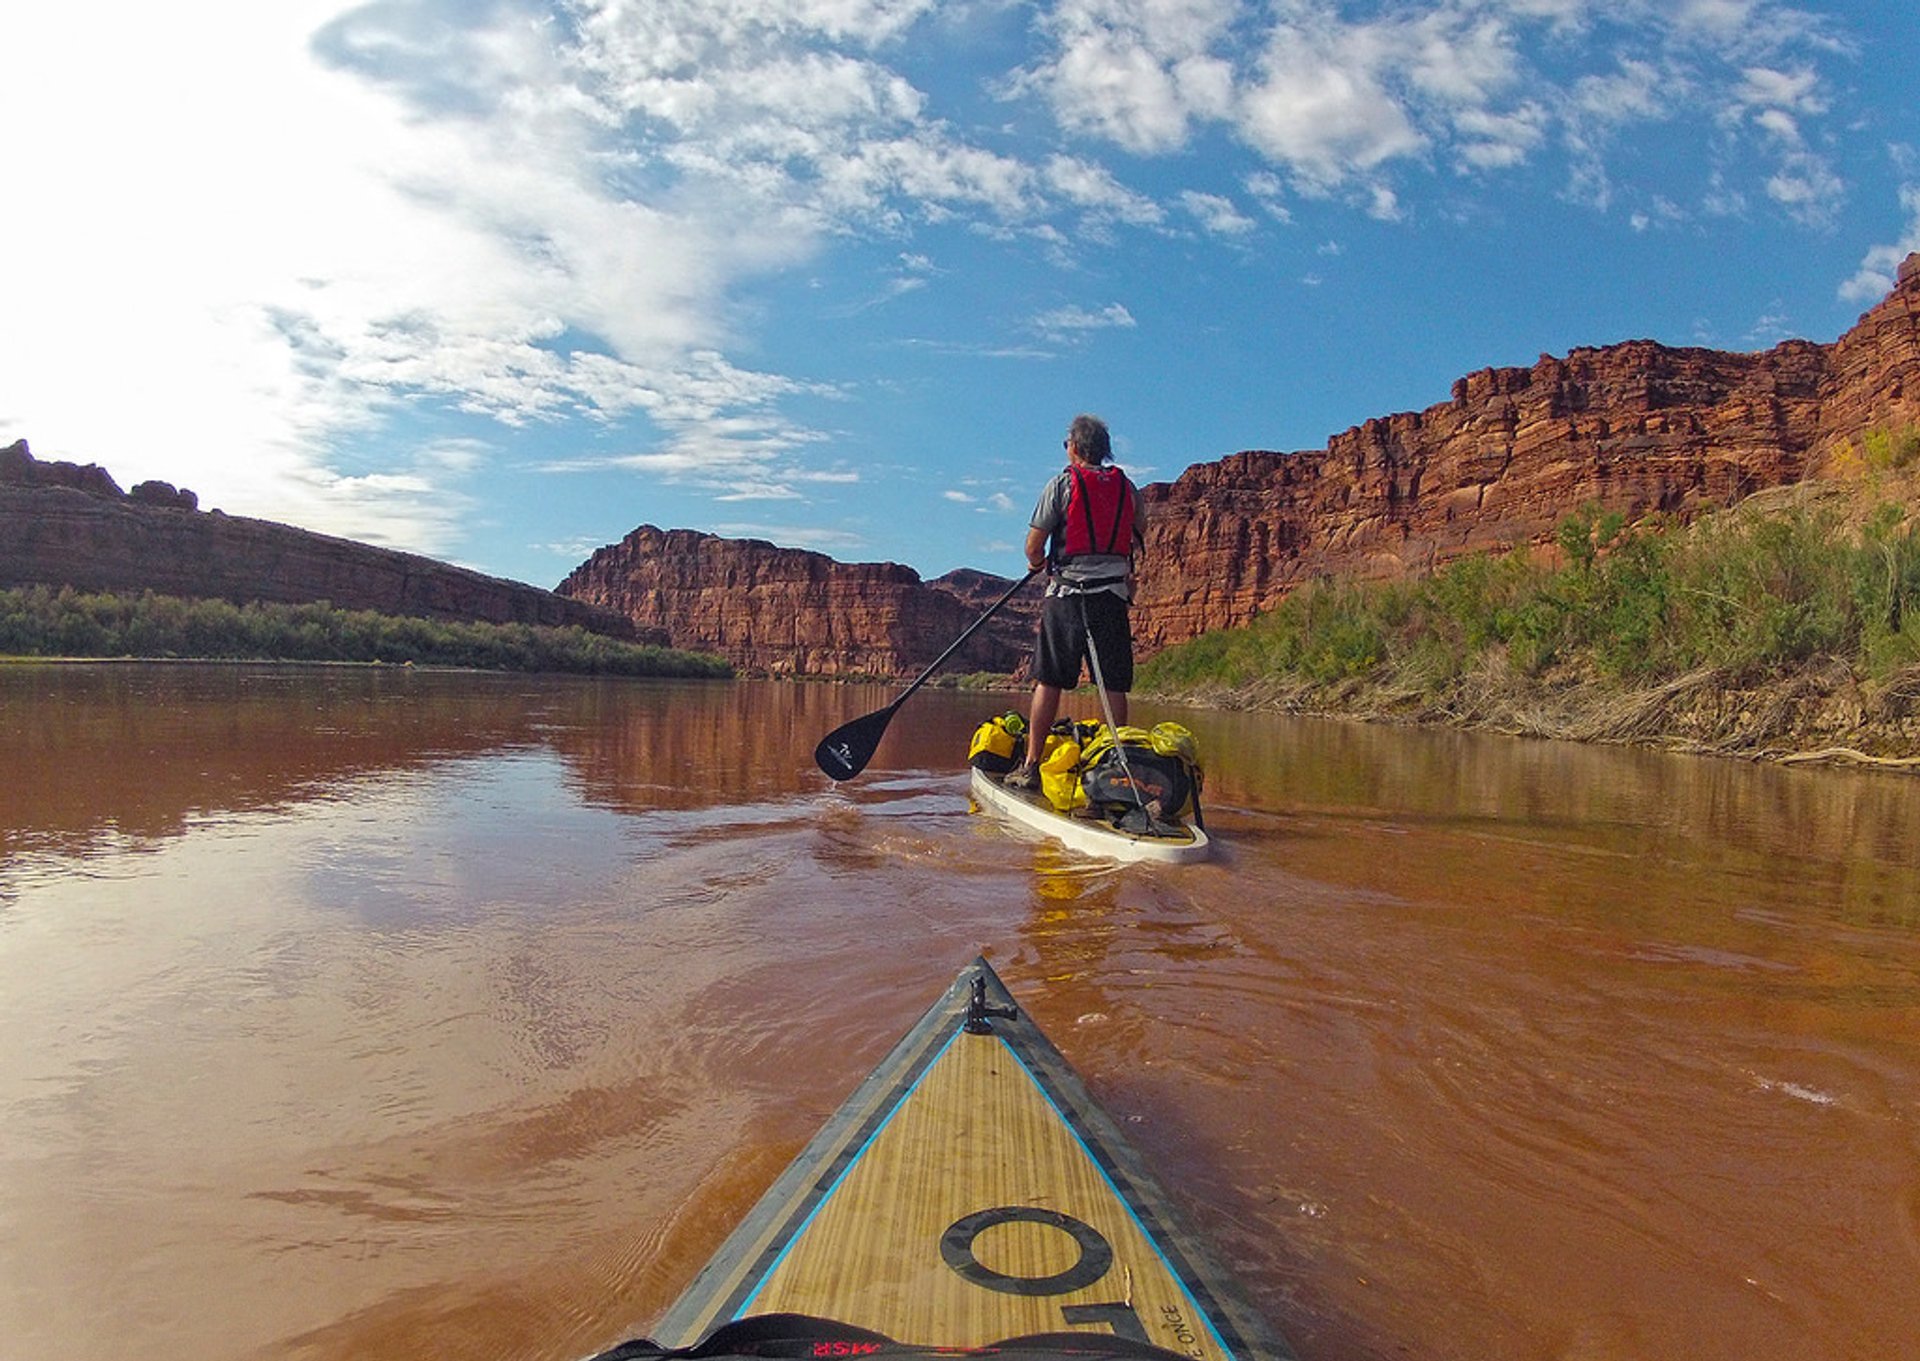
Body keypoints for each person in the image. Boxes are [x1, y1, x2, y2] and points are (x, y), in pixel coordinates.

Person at [1003, 414, 1147, 792]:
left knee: (1049, 680)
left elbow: (1034, 546)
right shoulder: (1128, 489)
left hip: (1067, 597)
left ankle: (1031, 766)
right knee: (1112, 684)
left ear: (1076, 448)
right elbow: (1138, 532)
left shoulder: (1061, 484)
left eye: (1066, 443)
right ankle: (1119, 769)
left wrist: (1037, 564)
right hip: (1112, 598)